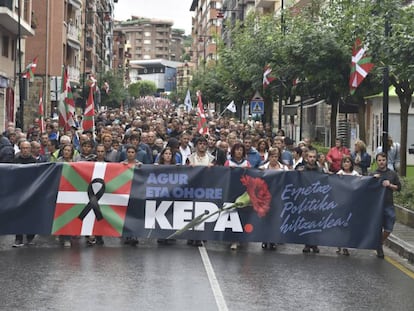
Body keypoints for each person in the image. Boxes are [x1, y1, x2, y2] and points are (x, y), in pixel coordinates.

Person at [370, 152, 401, 258]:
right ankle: (379, 248)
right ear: (376, 162)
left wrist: (390, 185)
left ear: (386, 161)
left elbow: (399, 188)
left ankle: (379, 242)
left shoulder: (392, 174)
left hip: (388, 204)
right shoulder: (372, 173)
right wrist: (372, 180)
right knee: (377, 227)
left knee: (389, 227)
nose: (381, 162)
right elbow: (366, 188)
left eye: (383, 160)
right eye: (379, 160)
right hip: (376, 206)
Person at [259, 147, 289, 250]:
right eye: (272, 156)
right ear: (269, 157)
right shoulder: (263, 167)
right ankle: (264, 239)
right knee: (266, 219)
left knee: (276, 219)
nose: (274, 159)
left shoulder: (284, 168)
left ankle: (273, 240)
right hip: (265, 198)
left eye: (276, 156)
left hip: (278, 197)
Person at [297, 149, 323, 254]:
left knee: (316, 222)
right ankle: (307, 243)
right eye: (310, 157)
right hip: (305, 199)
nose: (312, 159)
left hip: (317, 199)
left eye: (314, 157)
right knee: (306, 221)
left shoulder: (321, 170)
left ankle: (315, 243)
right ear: (306, 158)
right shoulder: (301, 169)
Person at [12, 141, 37, 247]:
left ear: (30, 149)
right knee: (18, 215)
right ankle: (18, 238)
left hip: (31, 192)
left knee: (31, 215)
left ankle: (30, 237)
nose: (25, 150)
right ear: (20, 149)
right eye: (23, 148)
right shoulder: (15, 161)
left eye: (27, 148)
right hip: (18, 192)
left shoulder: (35, 161)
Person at [336, 155, 361, 256]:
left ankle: (346, 246)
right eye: (344, 162)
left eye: (348, 162)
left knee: (348, 225)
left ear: (351, 163)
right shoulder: (339, 173)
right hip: (341, 203)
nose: (346, 164)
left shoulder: (355, 174)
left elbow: (362, 182)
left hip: (351, 203)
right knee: (341, 225)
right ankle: (339, 245)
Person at [122, 145, 142, 246]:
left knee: (135, 215)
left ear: (136, 154)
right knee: (126, 215)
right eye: (129, 152)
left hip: (136, 192)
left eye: (132, 152)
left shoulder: (140, 165)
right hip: (124, 193)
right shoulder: (121, 165)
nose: (130, 154)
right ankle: (126, 235)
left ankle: (134, 235)